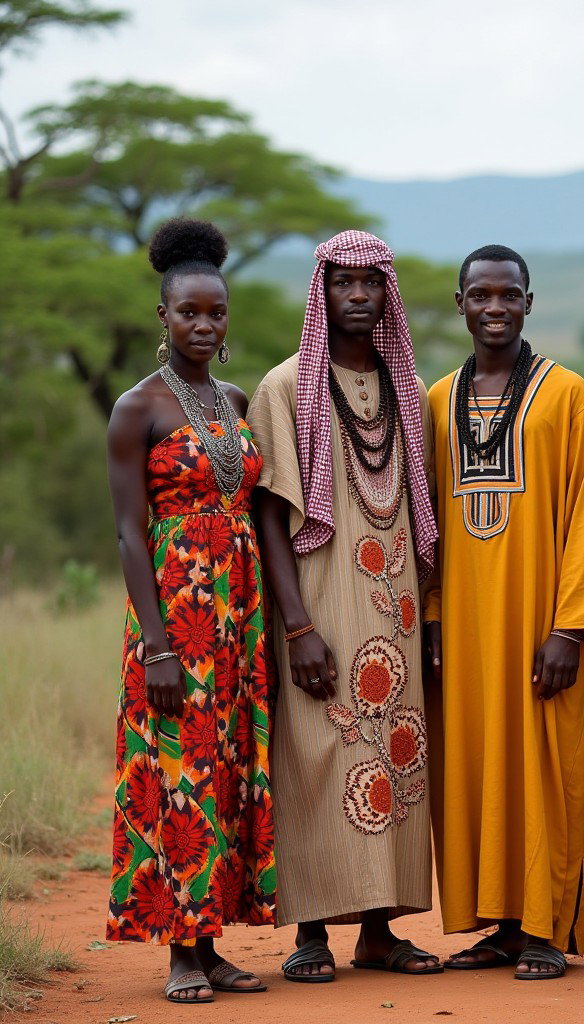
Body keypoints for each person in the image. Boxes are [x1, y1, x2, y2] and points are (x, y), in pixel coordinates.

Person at [248, 230, 441, 982]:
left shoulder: (406, 390)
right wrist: (297, 626)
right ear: (320, 293)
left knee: (394, 758)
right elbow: (270, 514)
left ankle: (379, 930)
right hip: (320, 602)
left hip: (393, 603)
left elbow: (422, 511)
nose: (357, 295)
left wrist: (428, 615)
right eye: (342, 283)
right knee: (316, 755)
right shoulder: (286, 386)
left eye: (370, 283)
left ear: (386, 292)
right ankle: (309, 934)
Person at [424, 244, 584, 980]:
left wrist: (571, 627)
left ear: (529, 303)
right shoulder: (437, 401)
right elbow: (427, 528)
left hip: (545, 626)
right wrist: (434, 618)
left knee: (548, 767)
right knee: (478, 770)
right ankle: (501, 925)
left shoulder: (567, 395)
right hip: (468, 632)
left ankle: (545, 927)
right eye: (481, 294)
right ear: (461, 303)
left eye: (509, 294)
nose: (495, 306)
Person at [106, 219, 275, 1003]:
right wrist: (160, 648)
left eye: (216, 314)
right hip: (176, 616)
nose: (204, 326)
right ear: (162, 317)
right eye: (188, 314)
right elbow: (128, 534)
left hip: (238, 612)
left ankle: (212, 947)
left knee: (226, 770)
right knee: (180, 773)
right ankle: (179, 948)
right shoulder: (136, 409)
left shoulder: (234, 399)